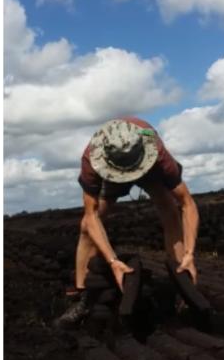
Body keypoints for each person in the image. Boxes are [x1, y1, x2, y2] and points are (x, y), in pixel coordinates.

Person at [55, 117, 199, 328]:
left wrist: (190, 254)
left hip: (148, 168)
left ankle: (183, 283)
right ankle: (83, 297)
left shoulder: (157, 153)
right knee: (86, 228)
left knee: (170, 210)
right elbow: (91, 215)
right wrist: (113, 262)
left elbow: (187, 203)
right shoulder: (91, 158)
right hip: (111, 175)